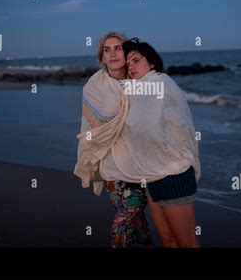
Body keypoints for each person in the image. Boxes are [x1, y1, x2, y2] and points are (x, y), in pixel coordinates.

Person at [116, 37, 201, 247]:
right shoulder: (138, 91)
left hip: (174, 173)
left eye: (136, 60)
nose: (131, 67)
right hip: (153, 174)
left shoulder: (161, 83)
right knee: (167, 239)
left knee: (187, 242)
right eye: (128, 64)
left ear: (152, 62)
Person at [74, 32, 153, 247]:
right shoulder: (93, 87)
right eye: (106, 50)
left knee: (120, 227)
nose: (112, 53)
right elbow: (94, 130)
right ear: (102, 58)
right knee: (137, 225)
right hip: (110, 169)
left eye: (117, 48)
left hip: (138, 169)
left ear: (125, 52)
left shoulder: (140, 82)